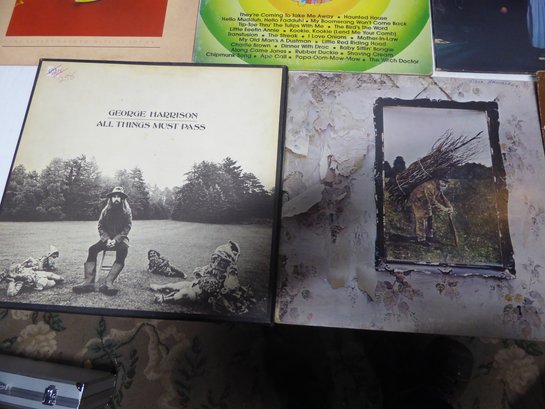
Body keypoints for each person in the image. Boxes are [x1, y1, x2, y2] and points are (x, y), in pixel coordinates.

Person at [150, 241, 256, 314]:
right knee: (179, 285)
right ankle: (161, 287)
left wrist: (228, 281)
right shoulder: (212, 266)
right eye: (216, 259)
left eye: (221, 262)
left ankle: (164, 299)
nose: (217, 263)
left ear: (228, 264)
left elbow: (232, 286)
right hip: (198, 284)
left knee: (185, 293)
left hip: (201, 295)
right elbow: (203, 272)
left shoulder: (229, 273)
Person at [72, 186, 132, 295]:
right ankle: (88, 282)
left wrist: (116, 240)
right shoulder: (105, 210)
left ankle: (109, 283)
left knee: (123, 250)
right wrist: (107, 239)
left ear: (122, 199)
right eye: (114, 196)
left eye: (119, 196)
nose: (116, 198)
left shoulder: (127, 211)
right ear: (111, 198)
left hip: (121, 240)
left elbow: (127, 227)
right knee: (92, 249)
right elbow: (100, 226)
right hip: (106, 239)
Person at [407, 177, 453, 246]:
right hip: (417, 200)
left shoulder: (438, 187)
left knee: (429, 217)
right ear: (438, 180)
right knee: (421, 218)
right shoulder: (429, 186)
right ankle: (421, 239)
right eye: (443, 182)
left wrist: (450, 207)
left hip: (425, 200)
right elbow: (433, 202)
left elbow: (441, 198)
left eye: (446, 183)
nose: (445, 184)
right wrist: (444, 209)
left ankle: (429, 236)